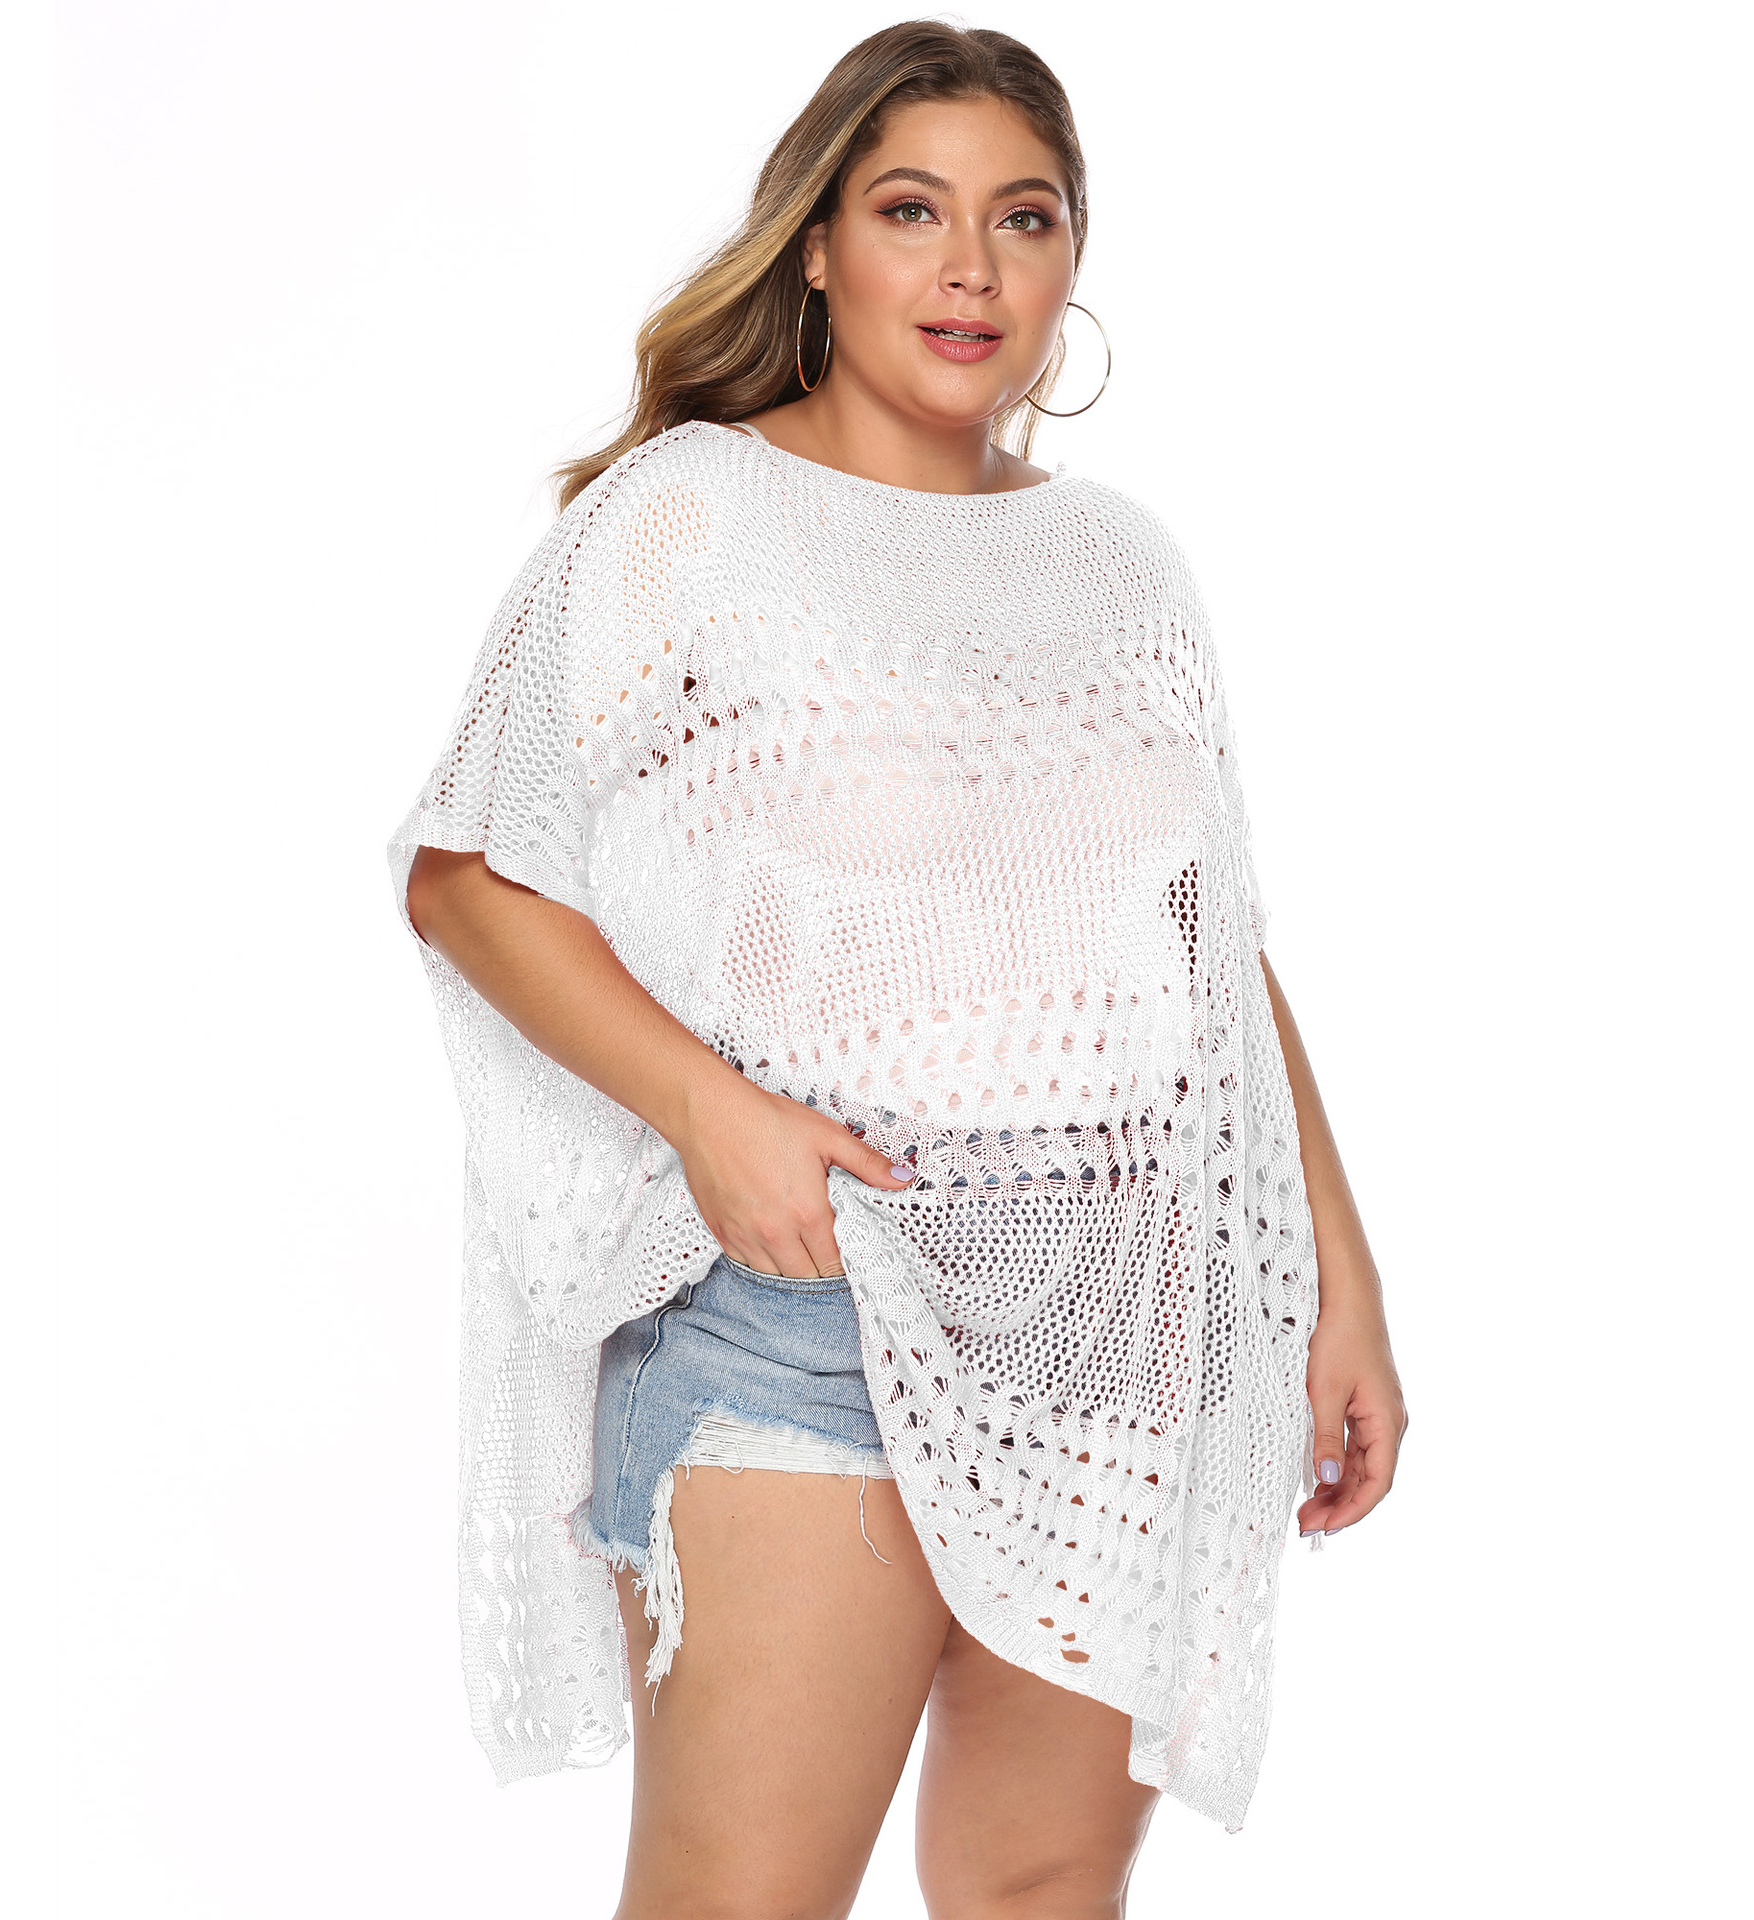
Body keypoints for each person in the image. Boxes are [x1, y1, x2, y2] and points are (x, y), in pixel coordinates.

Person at [390, 19, 1407, 1917]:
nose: (970, 270)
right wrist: (716, 1120)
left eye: (1024, 218)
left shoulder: (1123, 568)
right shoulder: (689, 516)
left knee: (1040, 1893)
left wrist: (1332, 1281)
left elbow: (1210, 956)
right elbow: (469, 877)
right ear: (819, 246)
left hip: (1121, 1334)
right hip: (804, 1320)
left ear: (1073, 259)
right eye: (912, 211)